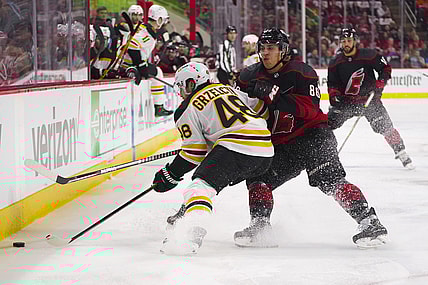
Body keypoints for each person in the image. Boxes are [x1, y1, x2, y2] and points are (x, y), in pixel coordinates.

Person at [234, 28, 388, 249]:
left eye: (271, 48)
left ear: (283, 51)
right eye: (263, 48)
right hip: (281, 145)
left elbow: (308, 109)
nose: (265, 53)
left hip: (313, 136)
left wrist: (275, 95)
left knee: (330, 180)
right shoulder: (248, 75)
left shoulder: (302, 72)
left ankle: (369, 222)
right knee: (258, 179)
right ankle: (260, 226)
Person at [151, 62, 274, 255]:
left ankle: (191, 234)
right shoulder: (229, 89)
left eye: (182, 86)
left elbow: (194, 153)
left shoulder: (186, 108)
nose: (181, 92)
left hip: (237, 147)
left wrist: (170, 174)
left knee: (200, 186)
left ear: (191, 84)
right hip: (266, 150)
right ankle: (186, 214)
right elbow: (263, 110)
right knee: (214, 177)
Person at [327, 27, 414, 169]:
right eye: (343, 41)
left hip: (369, 100)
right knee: (325, 126)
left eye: (349, 40)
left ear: (355, 41)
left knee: (385, 127)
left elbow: (385, 69)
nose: (346, 44)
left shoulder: (369, 55)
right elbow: (332, 84)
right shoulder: (335, 62)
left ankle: (401, 152)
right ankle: (325, 156)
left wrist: (380, 84)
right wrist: (334, 96)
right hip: (347, 102)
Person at [120, 4, 173, 117]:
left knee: (156, 71)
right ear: (158, 19)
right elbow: (132, 46)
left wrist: (141, 65)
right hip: (129, 65)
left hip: (129, 64)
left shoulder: (145, 29)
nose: (163, 23)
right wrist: (140, 65)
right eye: (163, 20)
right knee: (158, 72)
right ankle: (159, 107)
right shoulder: (146, 33)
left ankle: (159, 106)